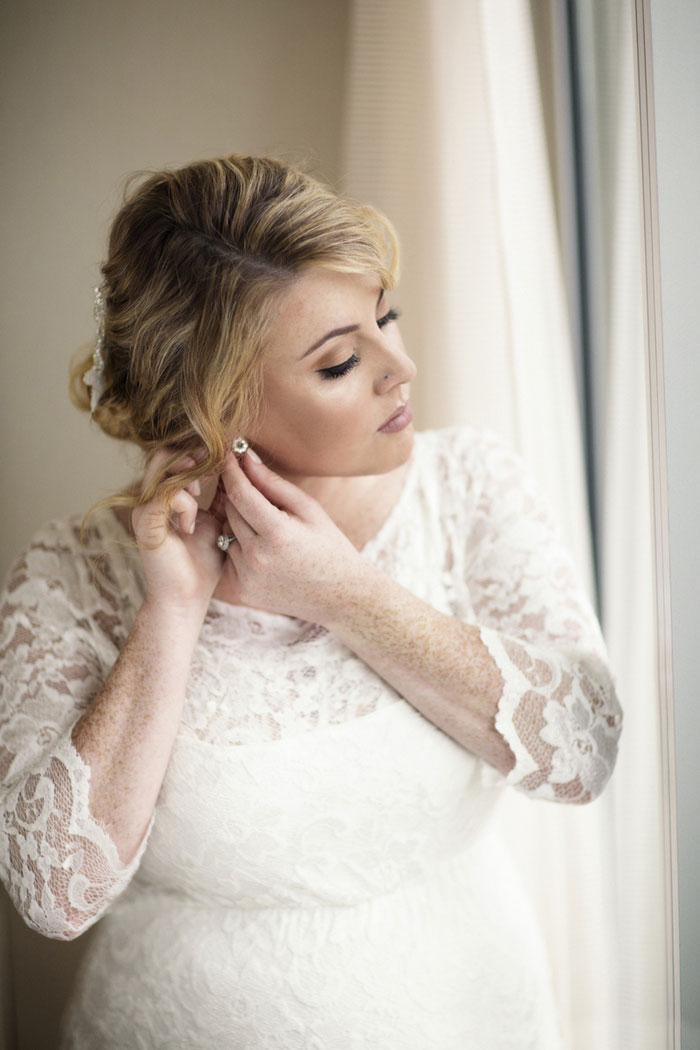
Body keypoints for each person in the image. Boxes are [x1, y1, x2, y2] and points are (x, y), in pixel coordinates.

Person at [0, 153, 622, 1050]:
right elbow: (55, 895)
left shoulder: (470, 486)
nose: (400, 368)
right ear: (215, 409)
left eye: (387, 317)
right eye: (341, 361)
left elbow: (588, 749)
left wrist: (344, 593)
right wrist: (169, 615)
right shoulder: (66, 576)